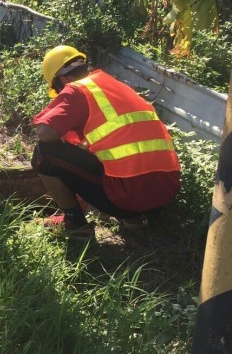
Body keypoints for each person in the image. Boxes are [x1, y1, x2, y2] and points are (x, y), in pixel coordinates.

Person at [31, 45, 180, 239]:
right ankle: (135, 223)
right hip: (166, 192)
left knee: (44, 153)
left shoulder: (76, 90)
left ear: (63, 80)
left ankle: (75, 223)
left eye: (58, 89)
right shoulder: (114, 84)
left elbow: (45, 133)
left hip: (129, 199)